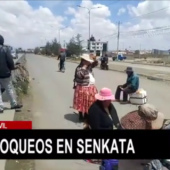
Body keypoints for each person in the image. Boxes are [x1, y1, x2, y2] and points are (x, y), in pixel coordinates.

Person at [0, 35, 23, 113]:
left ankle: (0, 107)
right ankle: (13, 104)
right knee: (8, 88)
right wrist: (13, 67)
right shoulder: (5, 49)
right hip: (5, 73)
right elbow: (10, 61)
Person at [73, 54, 98, 122]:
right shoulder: (79, 68)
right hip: (83, 88)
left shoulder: (89, 67)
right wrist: (84, 68)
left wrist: (94, 58)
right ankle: (81, 115)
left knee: (89, 102)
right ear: (84, 61)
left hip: (90, 87)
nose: (89, 62)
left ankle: (87, 115)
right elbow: (81, 75)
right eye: (87, 61)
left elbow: (95, 63)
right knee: (82, 102)